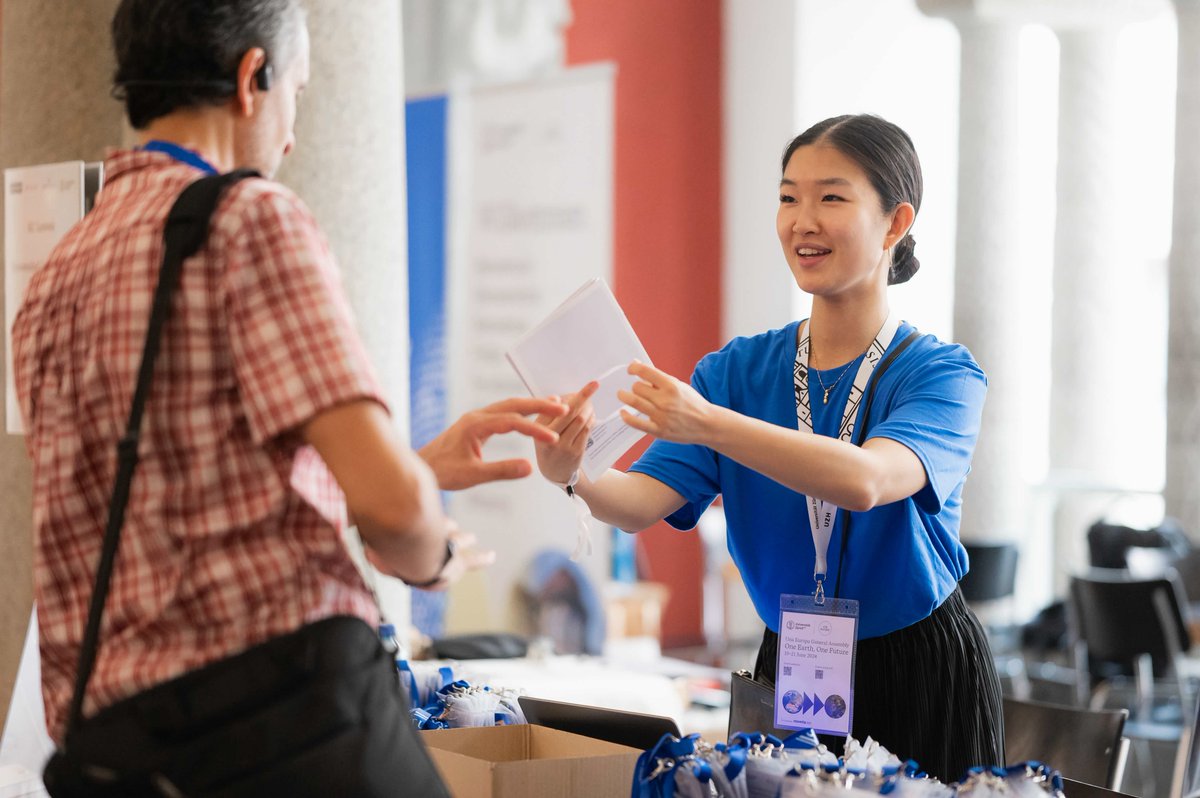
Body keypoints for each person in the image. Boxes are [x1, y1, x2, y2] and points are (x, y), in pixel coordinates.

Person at [12, 0, 566, 744]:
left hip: (117, 739)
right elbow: (398, 514)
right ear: (251, 77)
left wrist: (412, 464)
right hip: (274, 718)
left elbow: (183, 516)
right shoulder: (249, 220)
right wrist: (431, 552)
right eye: (295, 94)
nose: (294, 132)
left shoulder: (52, 277)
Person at [536, 114, 1003, 780]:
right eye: (788, 198)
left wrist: (710, 423)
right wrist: (574, 472)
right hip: (791, 661)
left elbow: (868, 480)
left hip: (920, 667)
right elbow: (639, 502)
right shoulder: (735, 372)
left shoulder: (940, 374)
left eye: (830, 198)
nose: (801, 221)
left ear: (896, 223)